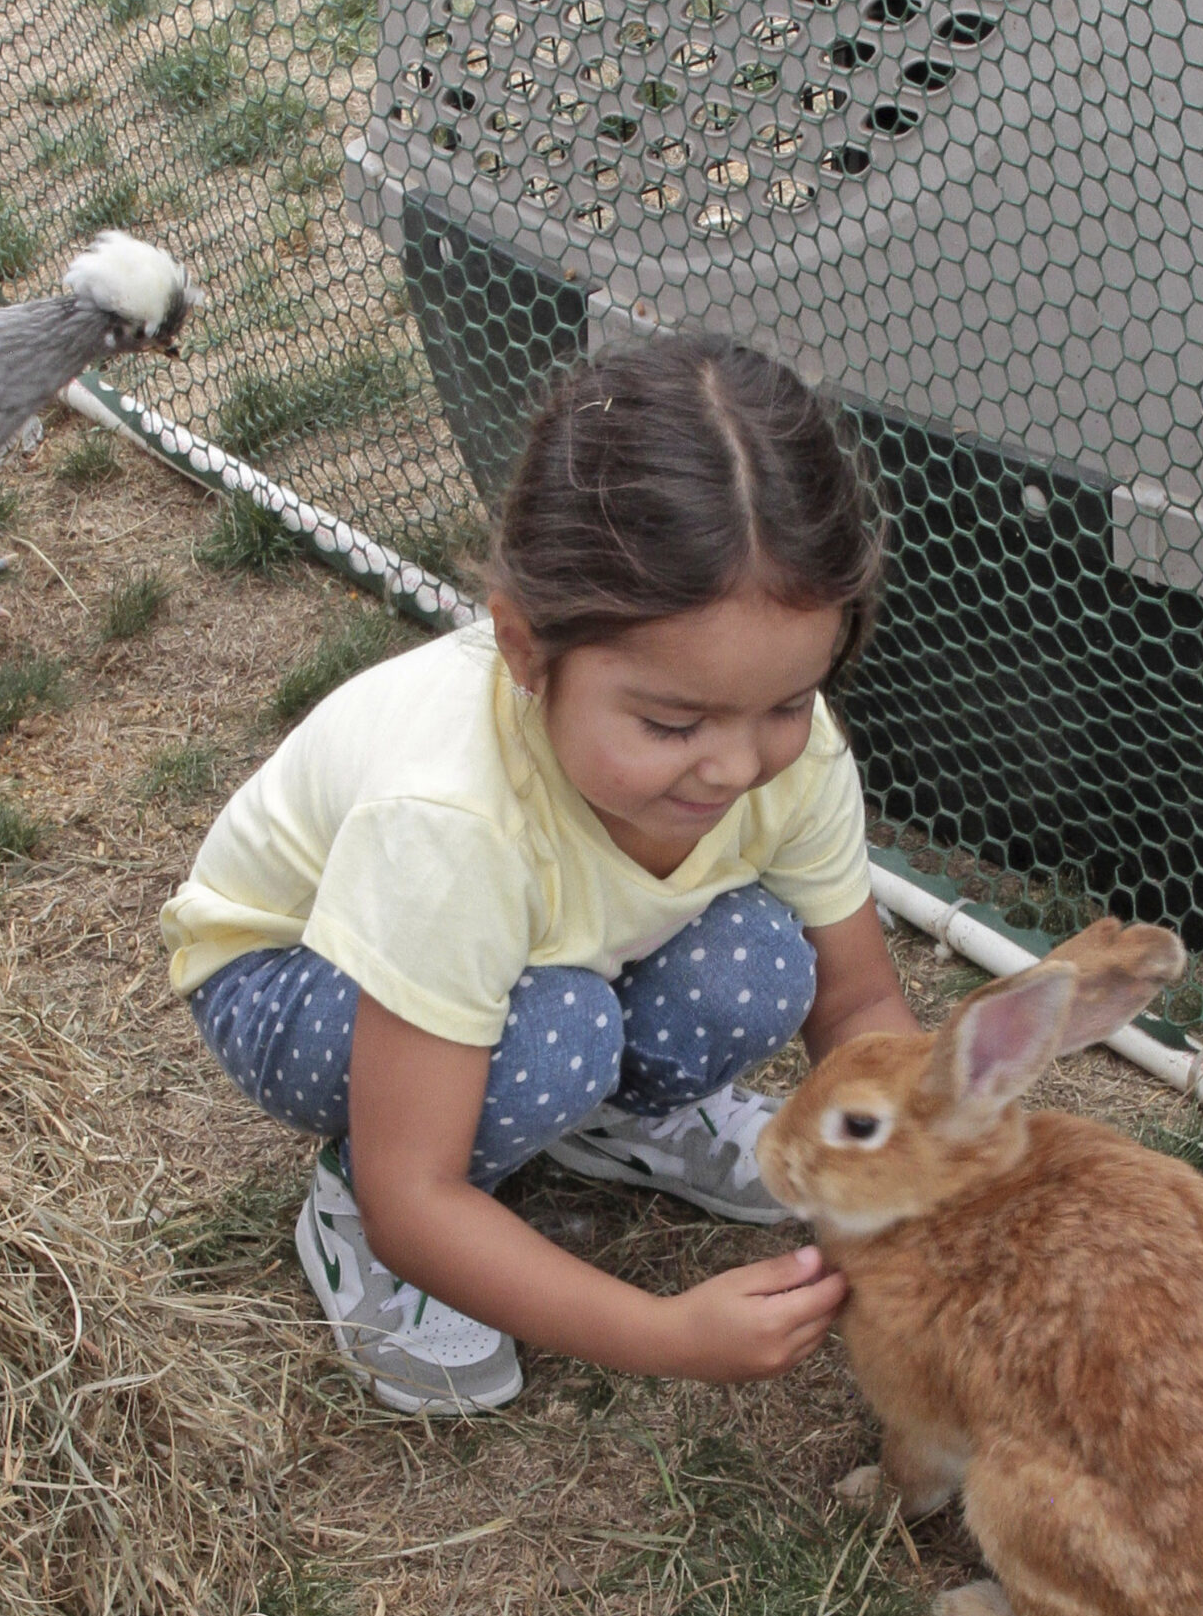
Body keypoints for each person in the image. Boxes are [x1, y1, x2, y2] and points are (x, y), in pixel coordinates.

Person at [160, 331, 922, 1412]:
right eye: (671, 720)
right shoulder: (451, 819)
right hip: (292, 979)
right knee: (555, 1031)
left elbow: (858, 1003)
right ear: (525, 649)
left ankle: (619, 1120)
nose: (738, 764)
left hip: (536, 952)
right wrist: (667, 1334)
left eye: (787, 704)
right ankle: (345, 1215)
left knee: (761, 957)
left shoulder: (782, 761)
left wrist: (929, 1188)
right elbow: (413, 1192)